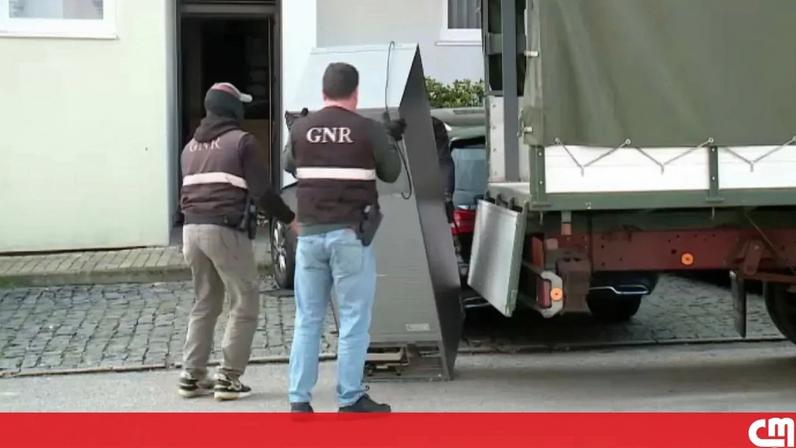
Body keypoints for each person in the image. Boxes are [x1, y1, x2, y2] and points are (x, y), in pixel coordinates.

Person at [283, 62, 405, 413]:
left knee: (307, 318)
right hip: (350, 235)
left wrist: (298, 131)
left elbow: (288, 163)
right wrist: (390, 138)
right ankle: (349, 398)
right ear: (355, 93)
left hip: (309, 237)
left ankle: (299, 400)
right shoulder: (367, 130)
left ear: (323, 92)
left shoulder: (304, 129)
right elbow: (392, 172)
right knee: (353, 319)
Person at [178, 82, 297, 401]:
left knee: (206, 300)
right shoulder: (242, 142)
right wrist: (290, 219)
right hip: (224, 231)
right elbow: (263, 192)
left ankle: (192, 375)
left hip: (191, 232)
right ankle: (228, 377)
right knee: (244, 301)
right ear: (231, 108)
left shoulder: (190, 148)